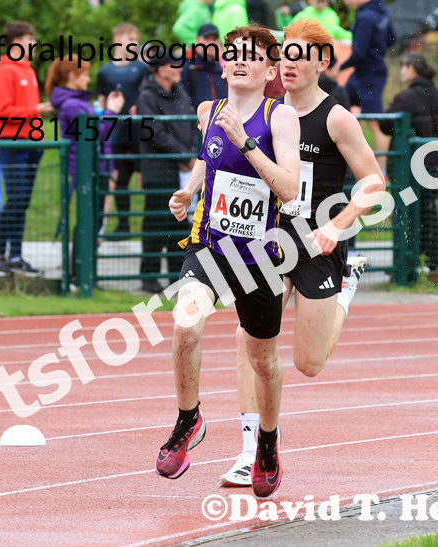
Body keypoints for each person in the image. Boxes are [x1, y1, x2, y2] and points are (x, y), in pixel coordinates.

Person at [219, 19, 384, 488]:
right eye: (284, 55)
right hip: (270, 241)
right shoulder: (267, 110)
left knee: (308, 364)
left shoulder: (336, 117)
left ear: (322, 62)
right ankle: (251, 450)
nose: (287, 64)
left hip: (317, 244)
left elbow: (375, 182)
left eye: (298, 56)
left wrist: (336, 225)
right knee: (248, 340)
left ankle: (345, 289)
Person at [158, 24, 300, 498]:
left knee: (263, 360)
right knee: (185, 323)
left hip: (260, 256)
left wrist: (245, 141)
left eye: (251, 55)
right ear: (223, 64)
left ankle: (268, 440)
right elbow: (206, 157)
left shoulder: (280, 118)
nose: (239, 61)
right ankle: (188, 419)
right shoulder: (208, 111)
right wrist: (189, 190)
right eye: (232, 54)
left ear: (269, 69)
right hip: (210, 246)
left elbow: (289, 189)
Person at [45, 58, 125, 288]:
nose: (89, 79)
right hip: (87, 170)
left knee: (90, 222)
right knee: (87, 223)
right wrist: (111, 111)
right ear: (72, 76)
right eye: (85, 74)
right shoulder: (73, 105)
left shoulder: (76, 102)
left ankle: (82, 274)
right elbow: (96, 134)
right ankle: (79, 275)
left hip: (92, 168)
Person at [0, 20, 53, 277]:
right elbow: (1, 111)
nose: (34, 44)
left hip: (30, 144)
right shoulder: (5, 71)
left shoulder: (28, 71)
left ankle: (15, 255)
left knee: (22, 201)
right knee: (15, 198)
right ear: (16, 43)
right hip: (13, 143)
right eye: (29, 40)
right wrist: (35, 111)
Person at [379, 52, 438, 272]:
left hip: (407, 169)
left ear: (412, 69)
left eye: (403, 67)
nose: (401, 71)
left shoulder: (406, 98)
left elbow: (386, 125)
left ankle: (406, 263)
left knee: (406, 213)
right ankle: (432, 262)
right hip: (432, 165)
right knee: (428, 212)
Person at [136, 53, 197, 292]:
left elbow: (193, 124)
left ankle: (177, 275)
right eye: (174, 65)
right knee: (154, 223)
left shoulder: (180, 92)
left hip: (182, 169)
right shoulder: (146, 97)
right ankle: (149, 277)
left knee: (179, 225)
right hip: (158, 170)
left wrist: (190, 154)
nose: (180, 70)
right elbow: (155, 132)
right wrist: (184, 155)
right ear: (160, 69)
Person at [97, 23, 149, 239]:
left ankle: (152, 225)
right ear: (117, 39)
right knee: (119, 180)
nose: (133, 44)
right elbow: (101, 102)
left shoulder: (142, 68)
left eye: (136, 40)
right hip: (116, 133)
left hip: (140, 132)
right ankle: (123, 225)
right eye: (129, 39)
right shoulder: (105, 71)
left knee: (145, 179)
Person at [340, 0, 396, 171]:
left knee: (375, 123)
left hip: (369, 76)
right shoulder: (381, 12)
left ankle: (381, 170)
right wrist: (377, 49)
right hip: (364, 73)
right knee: (339, 109)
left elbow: (359, 53)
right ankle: (345, 160)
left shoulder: (365, 17)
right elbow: (393, 38)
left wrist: (338, 68)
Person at [181, 23, 227, 107]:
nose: (211, 43)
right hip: (196, 119)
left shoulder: (221, 68)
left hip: (220, 118)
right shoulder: (187, 66)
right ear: (197, 40)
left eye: (214, 39)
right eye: (206, 38)